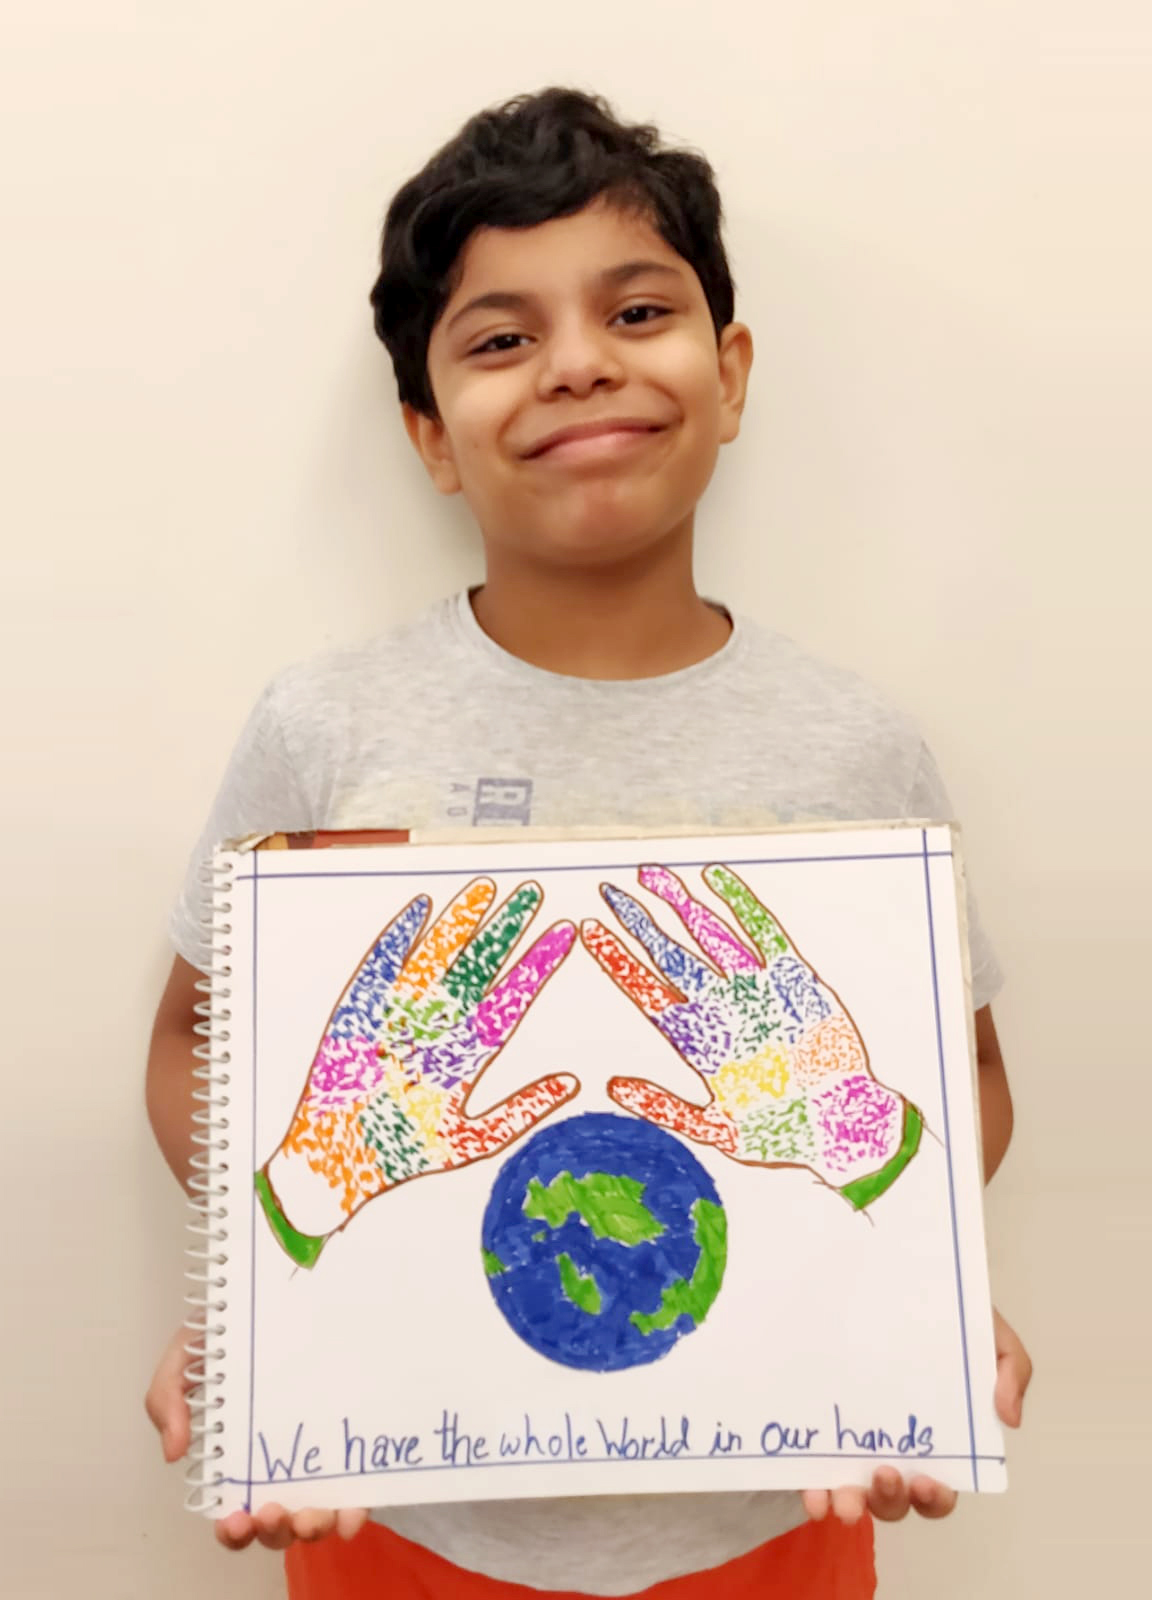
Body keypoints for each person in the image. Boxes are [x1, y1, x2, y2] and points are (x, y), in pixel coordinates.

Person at [144, 86, 1032, 1599]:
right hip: (400, 1509)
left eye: (636, 311)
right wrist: (278, 1277)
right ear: (430, 435)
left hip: (771, 1506)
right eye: (501, 338)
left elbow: (975, 1070)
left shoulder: (853, 743)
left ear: (729, 375)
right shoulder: (325, 726)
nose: (577, 363)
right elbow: (191, 1038)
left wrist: (906, 1271)